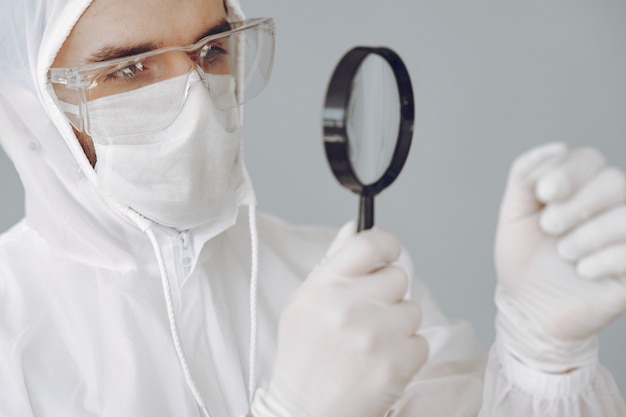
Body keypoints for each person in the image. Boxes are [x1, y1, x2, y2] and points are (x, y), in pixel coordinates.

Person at [1, 0, 625, 416]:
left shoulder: (336, 280)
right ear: (33, 106)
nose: (195, 102)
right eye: (131, 68)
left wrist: (546, 361)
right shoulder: (12, 330)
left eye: (212, 50)